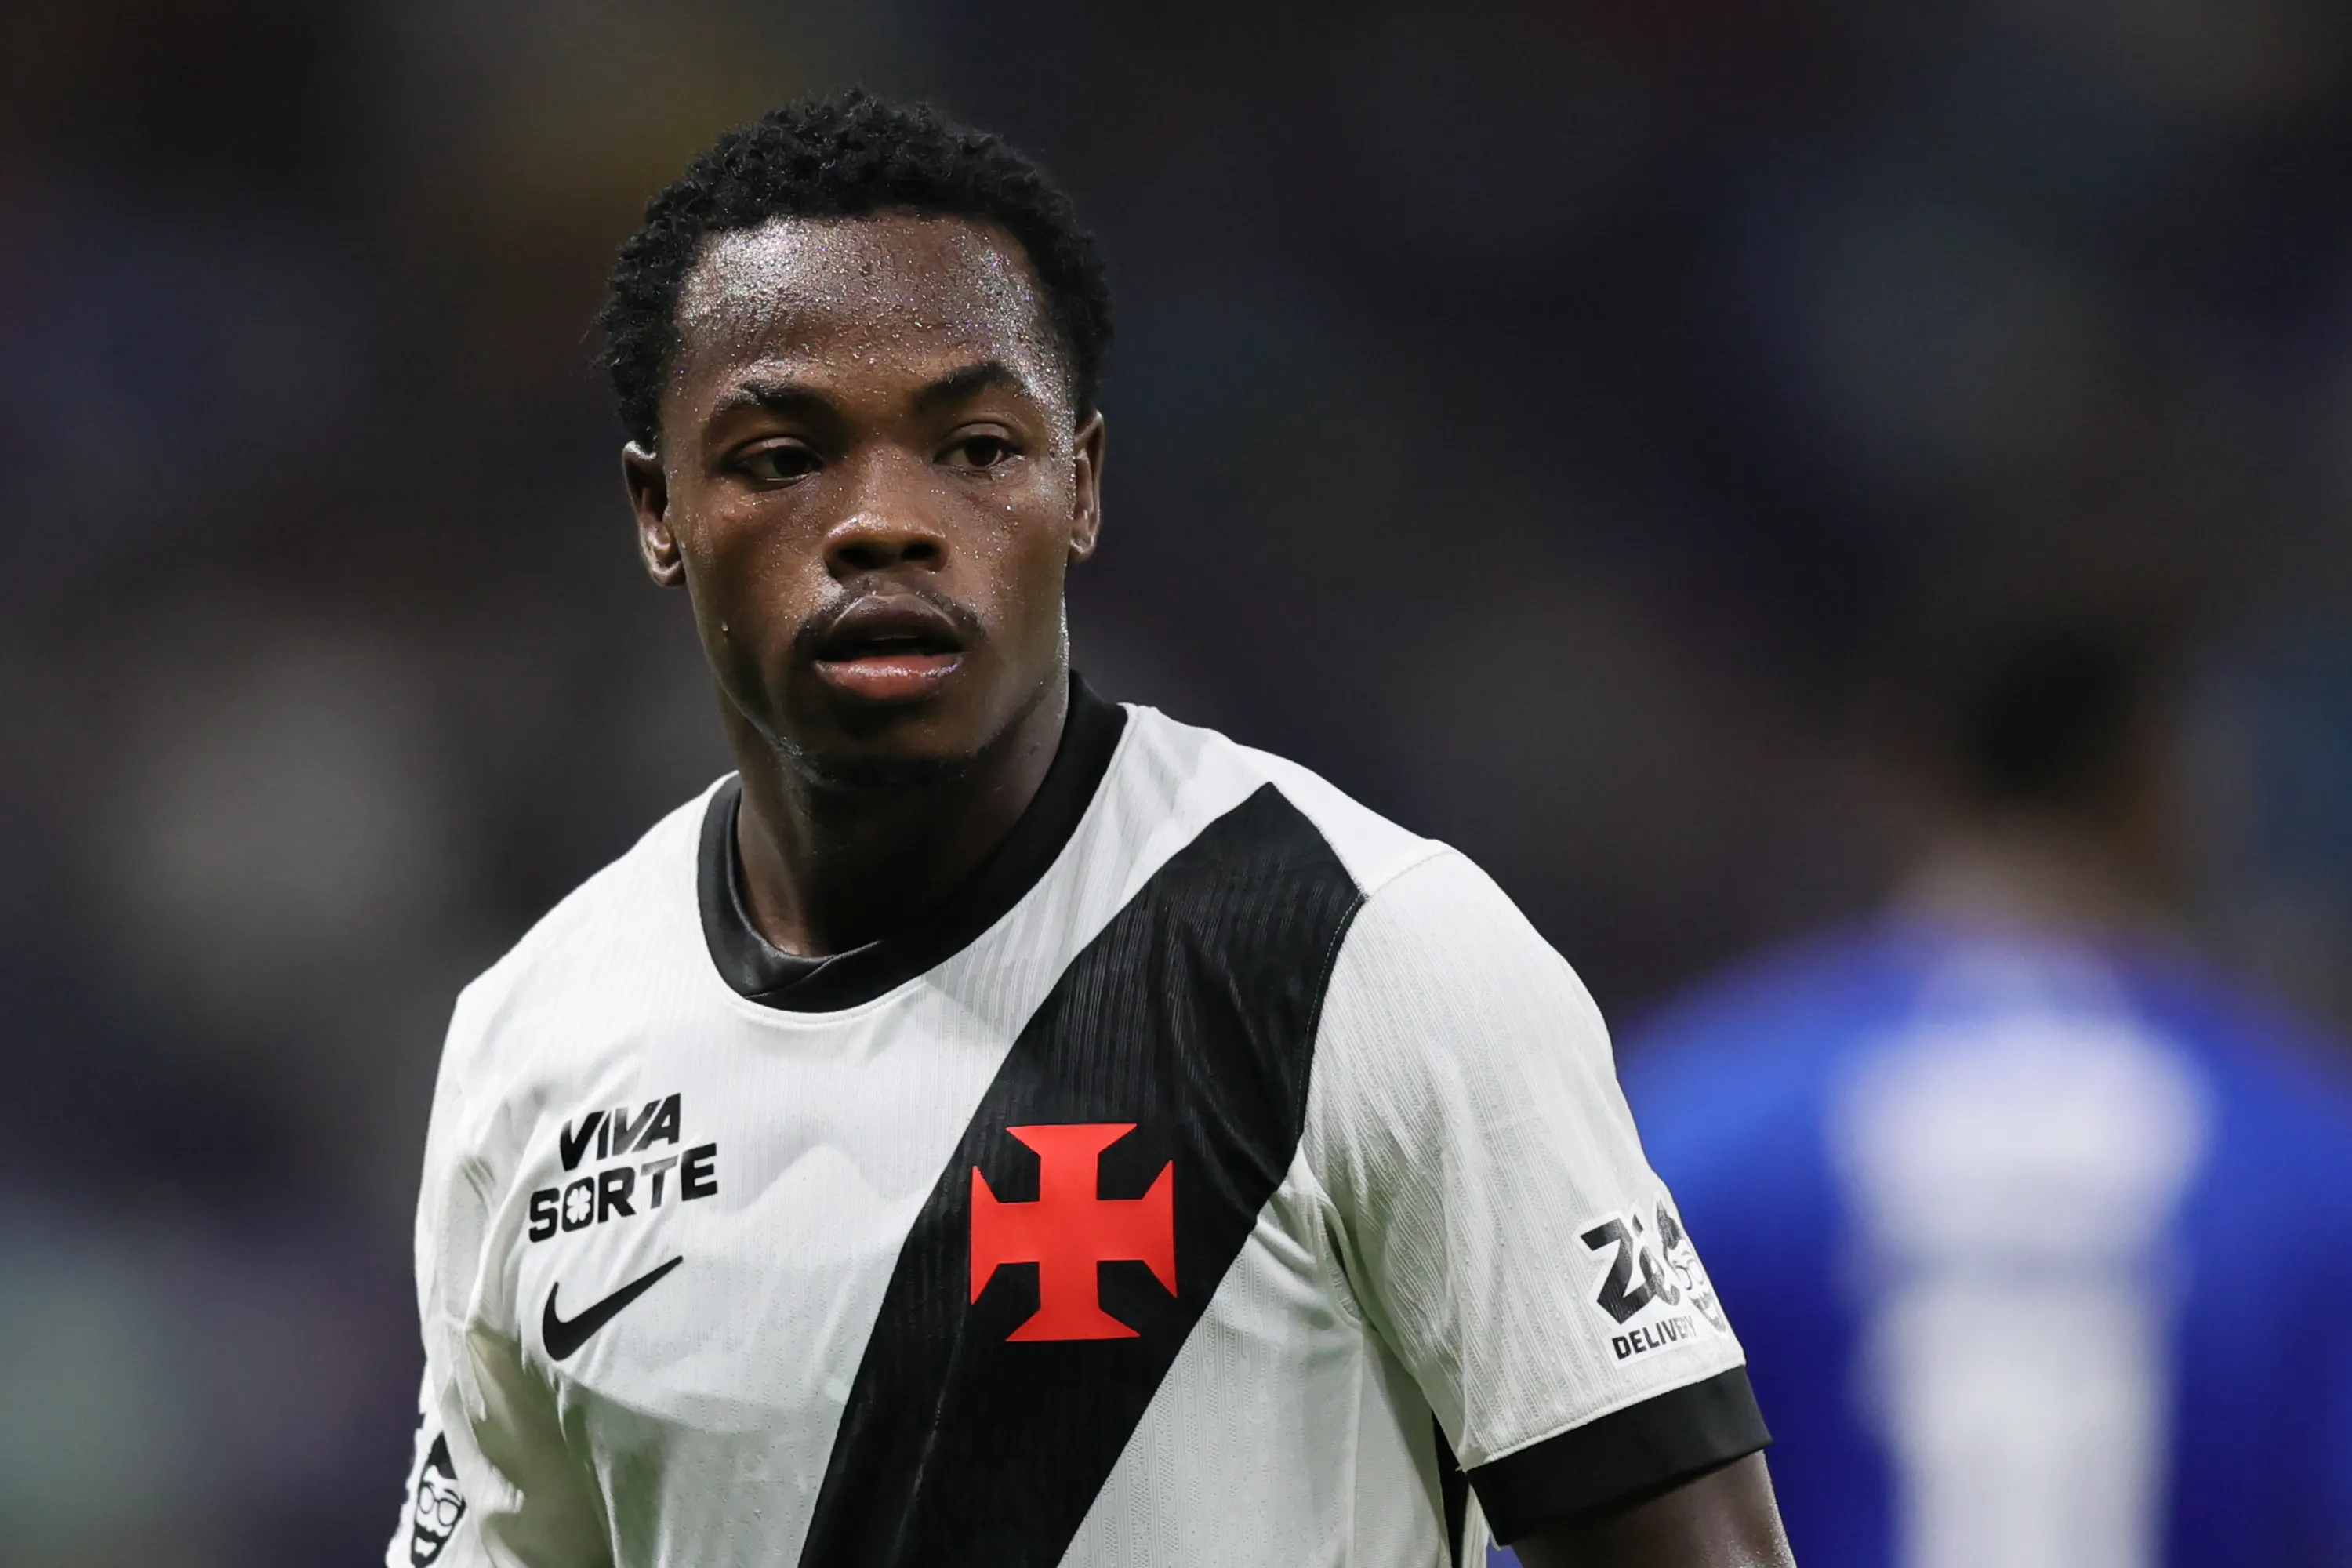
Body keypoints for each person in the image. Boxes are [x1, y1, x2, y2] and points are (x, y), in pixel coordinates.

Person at [383, 93, 1795, 1568]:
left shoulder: (1362, 951)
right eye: (783, 456)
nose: (884, 521)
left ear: (1085, 487)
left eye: (978, 446)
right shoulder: (532, 1044)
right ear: (656, 508)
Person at [1619, 621, 2352, 1568]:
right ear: (2160, 792)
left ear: (1908, 782)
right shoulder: (2299, 1153)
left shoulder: (1696, 1124)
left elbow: (1578, 1506)